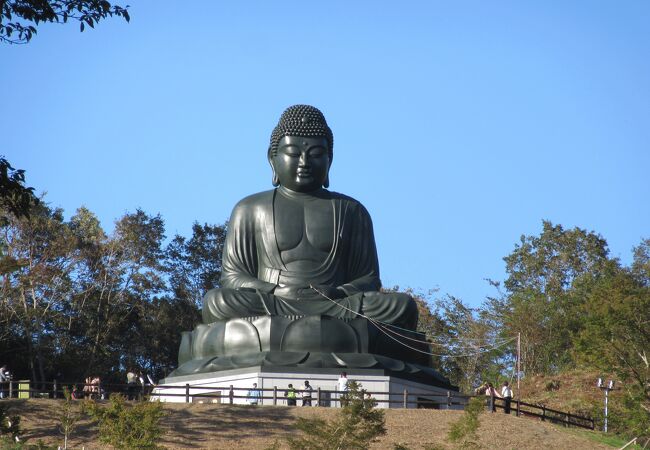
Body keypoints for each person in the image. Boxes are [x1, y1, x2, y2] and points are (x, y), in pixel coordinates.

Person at [200, 105, 418, 329]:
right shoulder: (250, 208)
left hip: (336, 305)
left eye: (315, 154)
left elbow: (369, 279)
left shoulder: (351, 210)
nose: (304, 162)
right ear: (272, 158)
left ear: (329, 160)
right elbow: (232, 277)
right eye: (293, 153)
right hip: (273, 303)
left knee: (401, 307)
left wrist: (338, 292)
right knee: (218, 302)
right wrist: (274, 290)